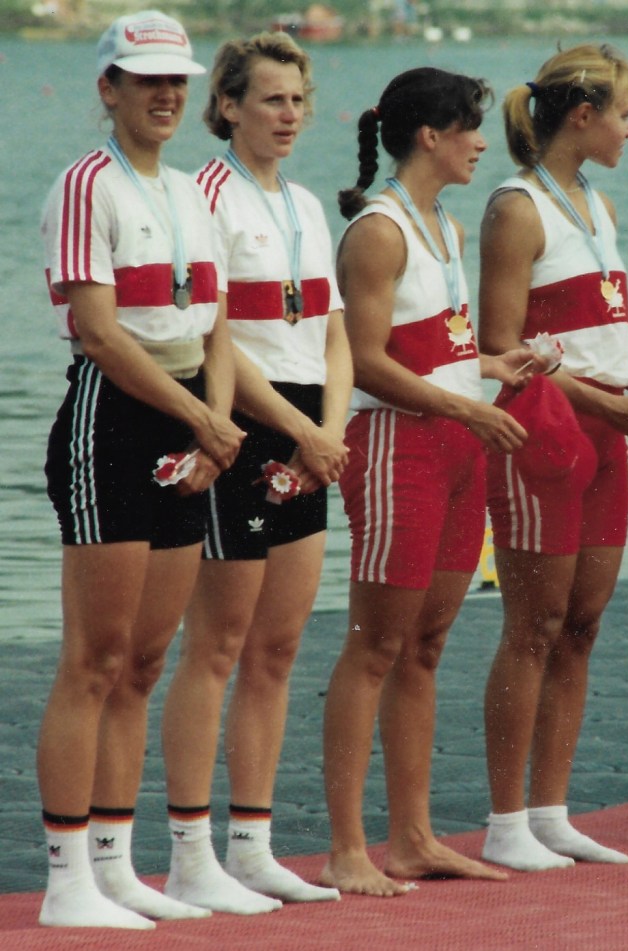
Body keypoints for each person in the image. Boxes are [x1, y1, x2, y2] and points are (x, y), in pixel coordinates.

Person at [36, 10, 245, 929]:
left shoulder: (195, 191)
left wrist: (218, 423)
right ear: (108, 89)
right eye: (146, 79)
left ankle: (118, 865)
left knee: (148, 658)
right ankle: (65, 878)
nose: (167, 94)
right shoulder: (88, 185)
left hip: (194, 421)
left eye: (178, 81)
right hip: (112, 421)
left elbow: (216, 328)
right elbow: (98, 329)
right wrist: (200, 416)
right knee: (94, 657)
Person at [319, 67, 534, 898]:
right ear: (429, 137)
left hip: (454, 440)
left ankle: (412, 837)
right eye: (470, 128)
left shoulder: (443, 222)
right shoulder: (378, 231)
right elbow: (365, 361)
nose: (484, 141)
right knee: (374, 645)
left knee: (428, 644)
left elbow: (431, 344)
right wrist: (468, 407)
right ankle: (346, 847)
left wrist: (491, 366)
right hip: (394, 445)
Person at [157, 32, 352, 914]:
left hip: (313, 430)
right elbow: (217, 338)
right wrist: (297, 429)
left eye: (297, 101)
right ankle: (192, 851)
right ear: (228, 105)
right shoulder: (205, 194)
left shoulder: (309, 205)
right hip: (241, 425)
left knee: (277, 649)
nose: (287, 115)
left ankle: (255, 845)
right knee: (218, 647)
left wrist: (332, 430)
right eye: (270, 100)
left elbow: (336, 332)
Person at [477, 44, 628, 872]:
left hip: (608, 431)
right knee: (534, 625)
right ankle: (505, 818)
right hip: (545, 432)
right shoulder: (517, 207)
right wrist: (607, 397)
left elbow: (603, 330)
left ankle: (551, 811)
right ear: (582, 117)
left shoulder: (599, 203)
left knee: (582, 626)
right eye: (625, 113)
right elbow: (499, 346)